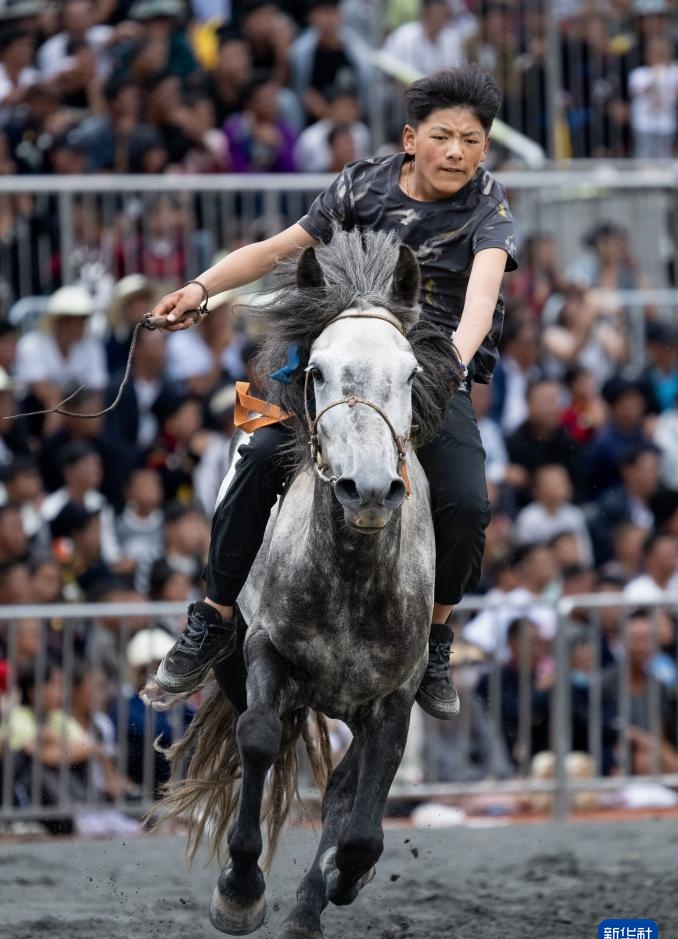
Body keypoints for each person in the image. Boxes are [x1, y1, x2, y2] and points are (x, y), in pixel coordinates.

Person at [150, 65, 517, 721]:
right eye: (442, 136)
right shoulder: (358, 183)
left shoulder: (490, 205)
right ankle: (212, 617)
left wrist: (448, 367)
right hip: (327, 357)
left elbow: (481, 305)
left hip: (426, 371)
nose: (456, 152)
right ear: (411, 139)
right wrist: (202, 289)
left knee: (466, 502)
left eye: (470, 140)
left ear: (485, 148)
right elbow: (275, 250)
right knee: (256, 453)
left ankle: (435, 640)